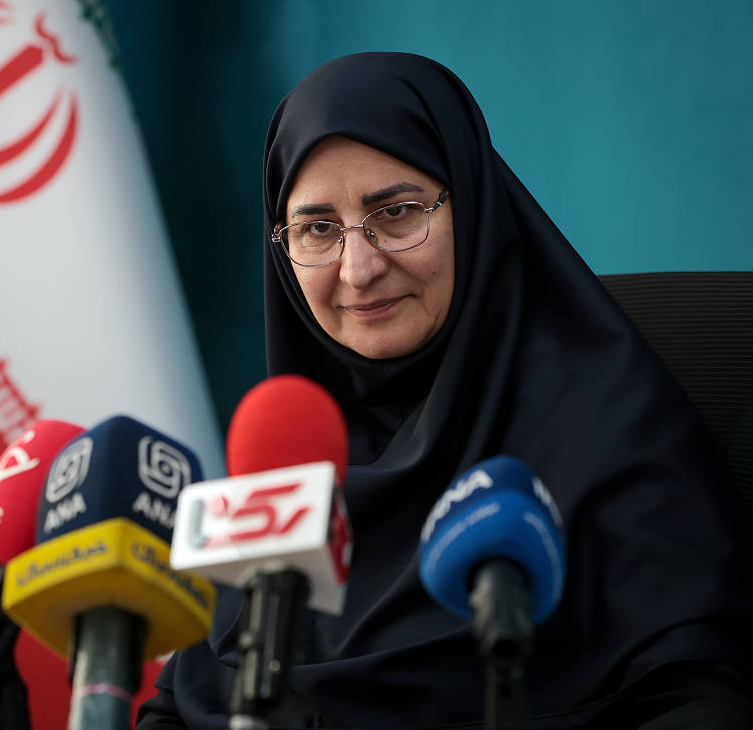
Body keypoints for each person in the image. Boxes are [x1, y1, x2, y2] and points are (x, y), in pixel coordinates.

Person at [137, 53, 753, 728]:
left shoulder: (609, 431)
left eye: (398, 212)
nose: (359, 268)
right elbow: (179, 703)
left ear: (474, 205)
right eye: (317, 229)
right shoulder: (290, 456)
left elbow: (698, 701)